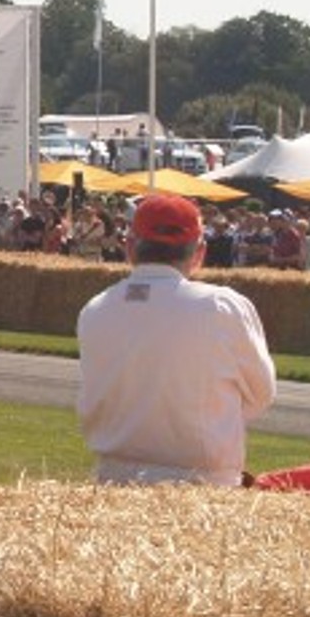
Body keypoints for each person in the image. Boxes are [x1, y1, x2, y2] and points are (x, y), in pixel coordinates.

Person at [76, 193, 276, 486]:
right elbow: (260, 396)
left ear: (130, 247)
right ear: (200, 252)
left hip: (111, 481)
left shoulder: (94, 309)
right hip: (204, 485)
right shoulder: (221, 306)